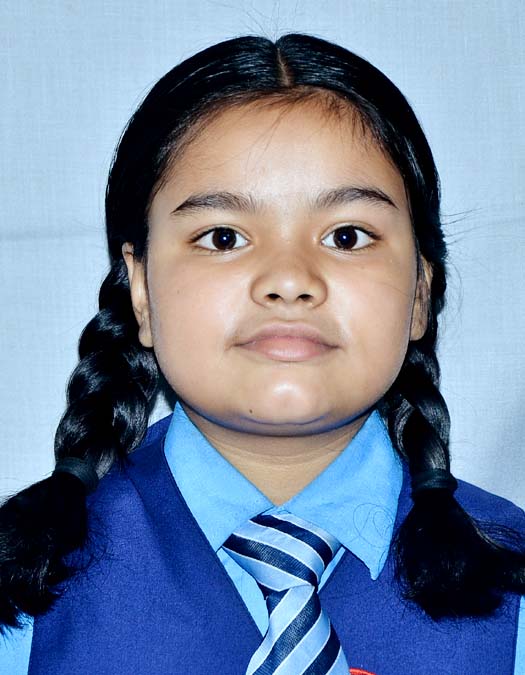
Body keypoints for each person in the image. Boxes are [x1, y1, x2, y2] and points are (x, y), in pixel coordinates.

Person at [0, 33, 524, 675]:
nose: (289, 279)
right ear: (140, 291)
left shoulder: (515, 585)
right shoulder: (20, 586)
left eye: (347, 236)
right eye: (223, 237)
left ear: (419, 291)